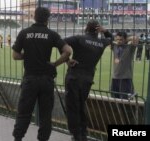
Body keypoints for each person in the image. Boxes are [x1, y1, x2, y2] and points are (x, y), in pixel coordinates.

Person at [12, 7, 72, 141]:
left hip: (30, 80)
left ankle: (18, 138)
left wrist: (27, 56)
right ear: (48, 18)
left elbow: (15, 55)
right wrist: (54, 64)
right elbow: (67, 51)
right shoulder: (51, 34)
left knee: (24, 113)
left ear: (34, 17)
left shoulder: (24, 33)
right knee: (45, 116)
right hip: (46, 80)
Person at [64, 20, 113, 141]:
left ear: (86, 28)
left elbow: (60, 42)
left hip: (74, 76)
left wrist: (67, 59)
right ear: (98, 30)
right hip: (87, 79)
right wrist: (105, 31)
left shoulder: (79, 38)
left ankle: (76, 135)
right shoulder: (102, 42)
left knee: (72, 106)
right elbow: (111, 38)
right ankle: (83, 133)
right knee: (81, 105)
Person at [111, 32, 139, 99]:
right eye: (117, 39)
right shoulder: (115, 46)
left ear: (125, 39)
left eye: (121, 39)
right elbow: (109, 39)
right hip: (115, 78)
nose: (118, 41)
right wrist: (117, 40)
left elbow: (136, 38)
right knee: (114, 100)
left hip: (125, 78)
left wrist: (126, 40)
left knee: (126, 101)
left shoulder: (130, 47)